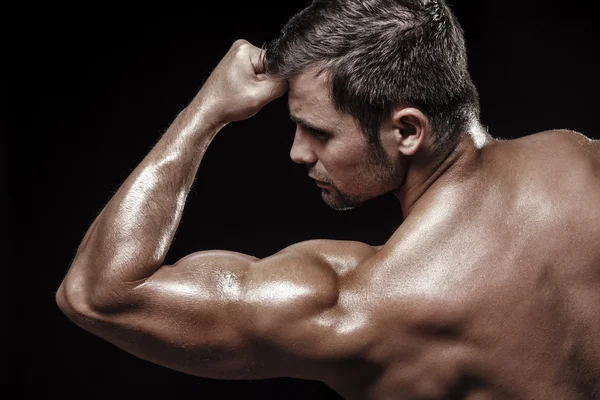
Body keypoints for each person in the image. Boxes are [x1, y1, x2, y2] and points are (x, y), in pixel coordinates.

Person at [56, 0, 600, 398]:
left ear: (407, 131)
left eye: (318, 131)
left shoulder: (362, 304)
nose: (297, 152)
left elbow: (98, 294)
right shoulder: (584, 159)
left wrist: (207, 111)